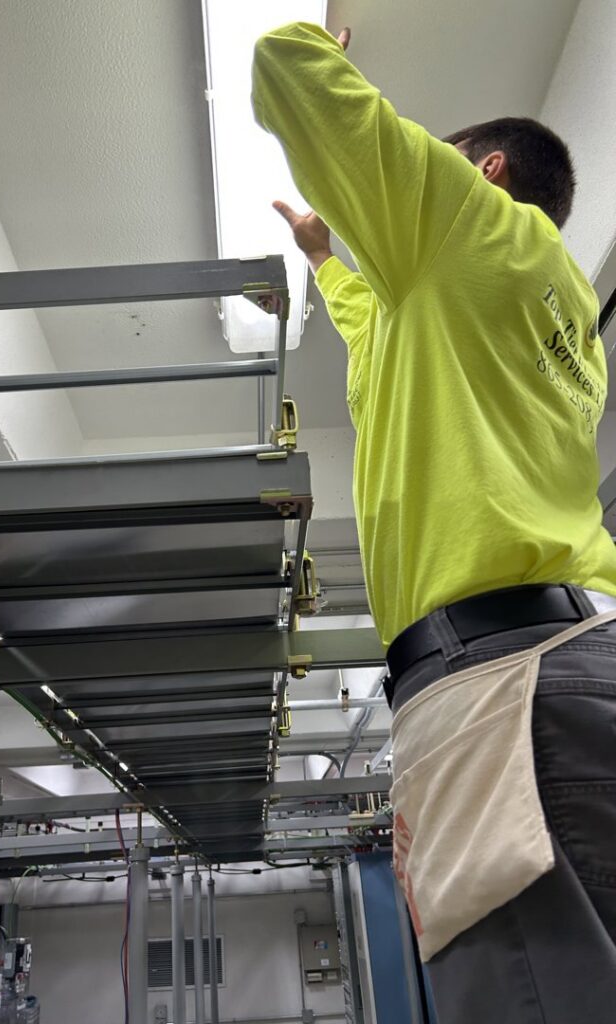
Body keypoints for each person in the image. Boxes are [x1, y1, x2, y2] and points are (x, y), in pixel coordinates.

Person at [252, 21, 616, 1024]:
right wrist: (327, 261)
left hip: (501, 682)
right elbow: (377, 333)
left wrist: (316, 47)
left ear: (483, 173)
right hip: (568, 659)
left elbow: (287, 68)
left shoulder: (472, 223)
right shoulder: (539, 309)